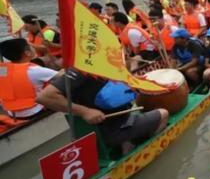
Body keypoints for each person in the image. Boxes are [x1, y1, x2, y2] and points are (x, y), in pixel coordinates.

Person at [37, 68, 168, 153]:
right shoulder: (80, 71)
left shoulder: (99, 67)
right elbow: (44, 97)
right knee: (163, 113)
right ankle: (149, 149)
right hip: (111, 130)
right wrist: (85, 111)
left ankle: (127, 144)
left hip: (116, 123)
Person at [0, 38, 58, 118]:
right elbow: (62, 76)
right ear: (27, 53)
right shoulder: (34, 70)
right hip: (35, 111)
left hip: (12, 113)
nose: (34, 47)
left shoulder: (2, 70)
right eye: (31, 45)